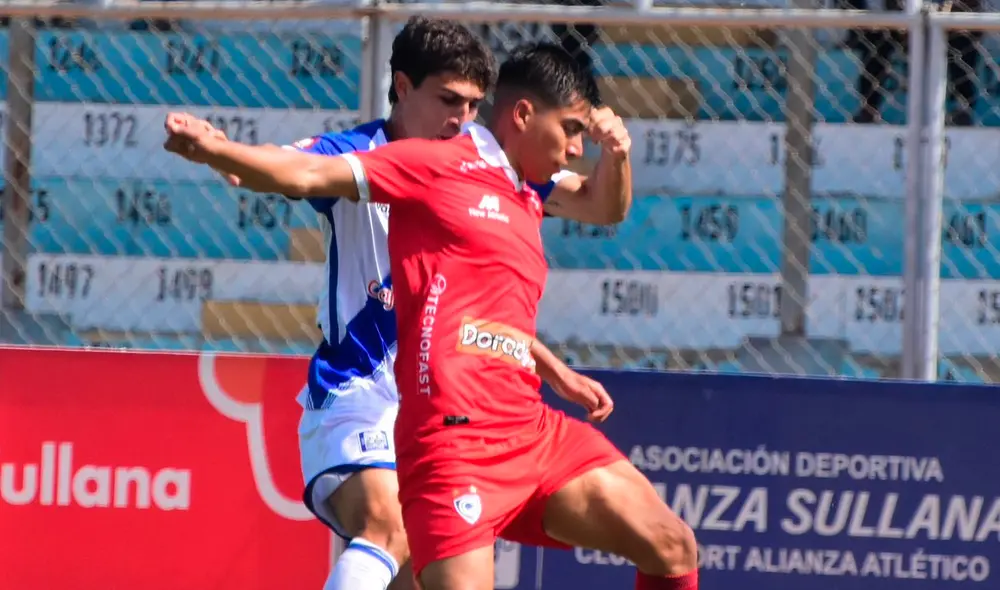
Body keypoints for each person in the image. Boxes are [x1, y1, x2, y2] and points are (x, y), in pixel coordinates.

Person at [165, 42, 698, 590]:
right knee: (386, 534)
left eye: (469, 102)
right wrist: (215, 152)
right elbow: (301, 172)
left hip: (529, 429)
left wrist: (619, 154)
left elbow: (603, 210)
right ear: (522, 116)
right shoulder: (435, 163)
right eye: (570, 130)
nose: (577, 148)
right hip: (449, 439)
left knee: (671, 545)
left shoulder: (528, 187)